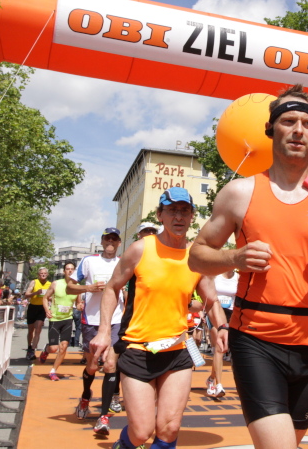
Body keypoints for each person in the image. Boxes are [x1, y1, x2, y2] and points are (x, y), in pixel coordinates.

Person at [188, 84, 308, 449]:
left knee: (293, 440)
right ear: (271, 129)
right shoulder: (240, 193)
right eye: (288, 121)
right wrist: (234, 257)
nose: (298, 130)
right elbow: (197, 256)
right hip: (255, 338)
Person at [91, 187, 228, 449]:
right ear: (160, 215)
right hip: (138, 350)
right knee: (141, 432)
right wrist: (104, 331)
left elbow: (211, 300)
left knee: (169, 428)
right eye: (172, 210)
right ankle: (123, 444)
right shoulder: (140, 249)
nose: (179, 216)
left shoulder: (196, 257)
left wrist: (222, 326)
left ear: (192, 216)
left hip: (177, 350)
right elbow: (112, 287)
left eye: (185, 211)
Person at [66, 228, 126, 436]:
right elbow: (70, 288)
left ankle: (103, 416)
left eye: (114, 239)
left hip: (115, 320)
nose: (110, 242)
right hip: (91, 320)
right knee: (92, 366)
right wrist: (89, 288)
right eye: (107, 238)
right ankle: (85, 396)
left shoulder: (124, 262)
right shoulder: (89, 261)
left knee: (110, 365)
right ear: (102, 241)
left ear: (119, 243)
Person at [40, 262, 83, 381]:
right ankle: (46, 349)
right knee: (54, 348)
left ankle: (53, 371)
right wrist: (47, 310)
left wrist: (80, 306)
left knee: (63, 347)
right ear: (64, 271)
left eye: (72, 269)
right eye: (67, 269)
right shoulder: (56, 283)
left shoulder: (77, 286)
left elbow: (78, 303)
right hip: (55, 319)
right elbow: (45, 298)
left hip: (67, 319)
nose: (70, 271)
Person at [206, 268, 238, 397]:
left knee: (224, 348)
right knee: (219, 348)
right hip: (215, 313)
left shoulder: (238, 277)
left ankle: (211, 378)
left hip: (231, 314)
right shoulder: (215, 275)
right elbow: (206, 294)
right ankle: (218, 385)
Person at [24, 267, 52, 360]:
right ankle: (29, 346)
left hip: (42, 308)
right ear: (38, 275)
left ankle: (33, 349)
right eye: (41, 273)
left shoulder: (50, 284)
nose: (43, 275)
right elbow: (26, 294)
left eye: (45, 273)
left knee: (38, 329)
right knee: (31, 330)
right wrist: (35, 293)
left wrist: (49, 298)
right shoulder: (34, 282)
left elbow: (52, 297)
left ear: (47, 274)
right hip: (32, 307)